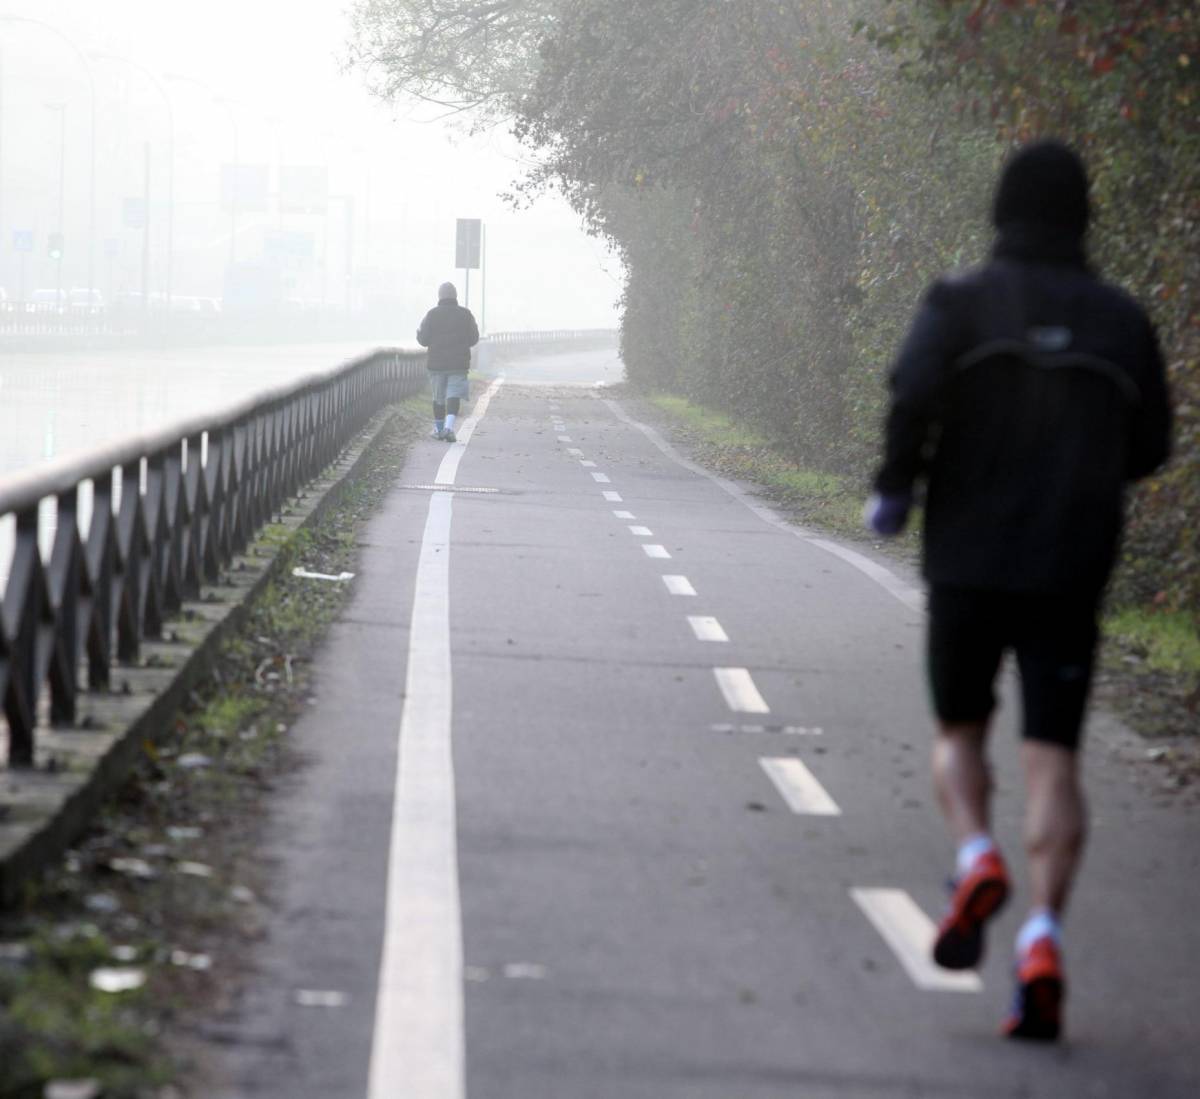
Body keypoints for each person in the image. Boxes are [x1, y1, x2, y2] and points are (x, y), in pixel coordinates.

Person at [865, 140, 1172, 1041]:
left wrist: (896, 486)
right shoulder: (1121, 320)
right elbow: (1152, 445)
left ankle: (975, 855)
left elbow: (910, 396)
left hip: (966, 559)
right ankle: (1042, 936)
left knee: (959, 733)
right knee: (1054, 759)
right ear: (1084, 217)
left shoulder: (959, 303)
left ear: (1001, 210)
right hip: (1070, 567)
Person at [417, 281, 480, 442]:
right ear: (455, 296)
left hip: (436, 365)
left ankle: (438, 430)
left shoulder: (431, 314)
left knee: (438, 397)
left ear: (439, 296)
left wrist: (419, 334)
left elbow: (423, 340)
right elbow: (474, 338)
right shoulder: (466, 314)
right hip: (458, 365)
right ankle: (449, 428)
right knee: (454, 395)